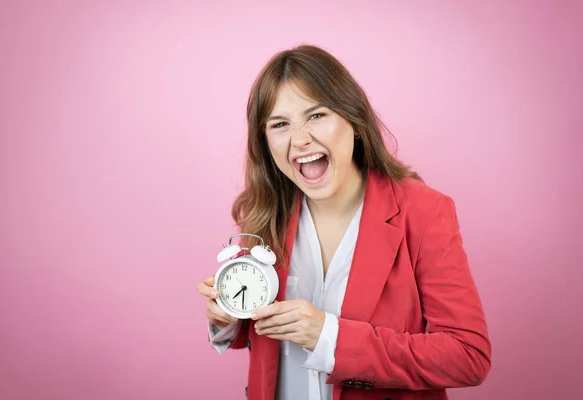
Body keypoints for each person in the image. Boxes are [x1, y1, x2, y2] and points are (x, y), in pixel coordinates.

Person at [196, 44, 491, 400]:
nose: (300, 138)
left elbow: (468, 356)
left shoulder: (424, 212)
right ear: (265, 141)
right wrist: (226, 317)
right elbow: (256, 332)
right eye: (279, 124)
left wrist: (330, 338)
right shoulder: (262, 212)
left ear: (354, 121)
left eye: (317, 115)